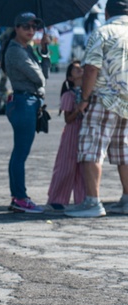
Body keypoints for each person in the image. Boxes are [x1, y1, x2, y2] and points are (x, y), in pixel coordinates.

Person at [66, 0, 128, 218]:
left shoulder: (103, 33)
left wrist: (84, 99)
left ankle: (92, 202)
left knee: (91, 149)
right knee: (124, 151)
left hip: (103, 99)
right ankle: (127, 199)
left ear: (107, 12)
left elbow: (91, 68)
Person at [2, 12, 50, 213]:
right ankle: (20, 197)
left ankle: (18, 196)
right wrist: (40, 63)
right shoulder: (15, 51)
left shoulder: (27, 48)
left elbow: (44, 73)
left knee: (20, 153)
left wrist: (44, 51)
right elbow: (40, 78)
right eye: (26, 27)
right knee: (20, 153)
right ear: (17, 28)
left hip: (29, 102)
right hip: (23, 102)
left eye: (34, 27)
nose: (31, 31)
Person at [47, 61, 86, 210]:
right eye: (76, 70)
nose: (80, 70)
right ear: (70, 77)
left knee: (83, 168)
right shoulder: (69, 95)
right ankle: (57, 198)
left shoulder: (87, 93)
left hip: (85, 132)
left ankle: (82, 198)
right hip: (72, 133)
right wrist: (77, 110)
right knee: (66, 166)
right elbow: (68, 119)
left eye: (80, 68)